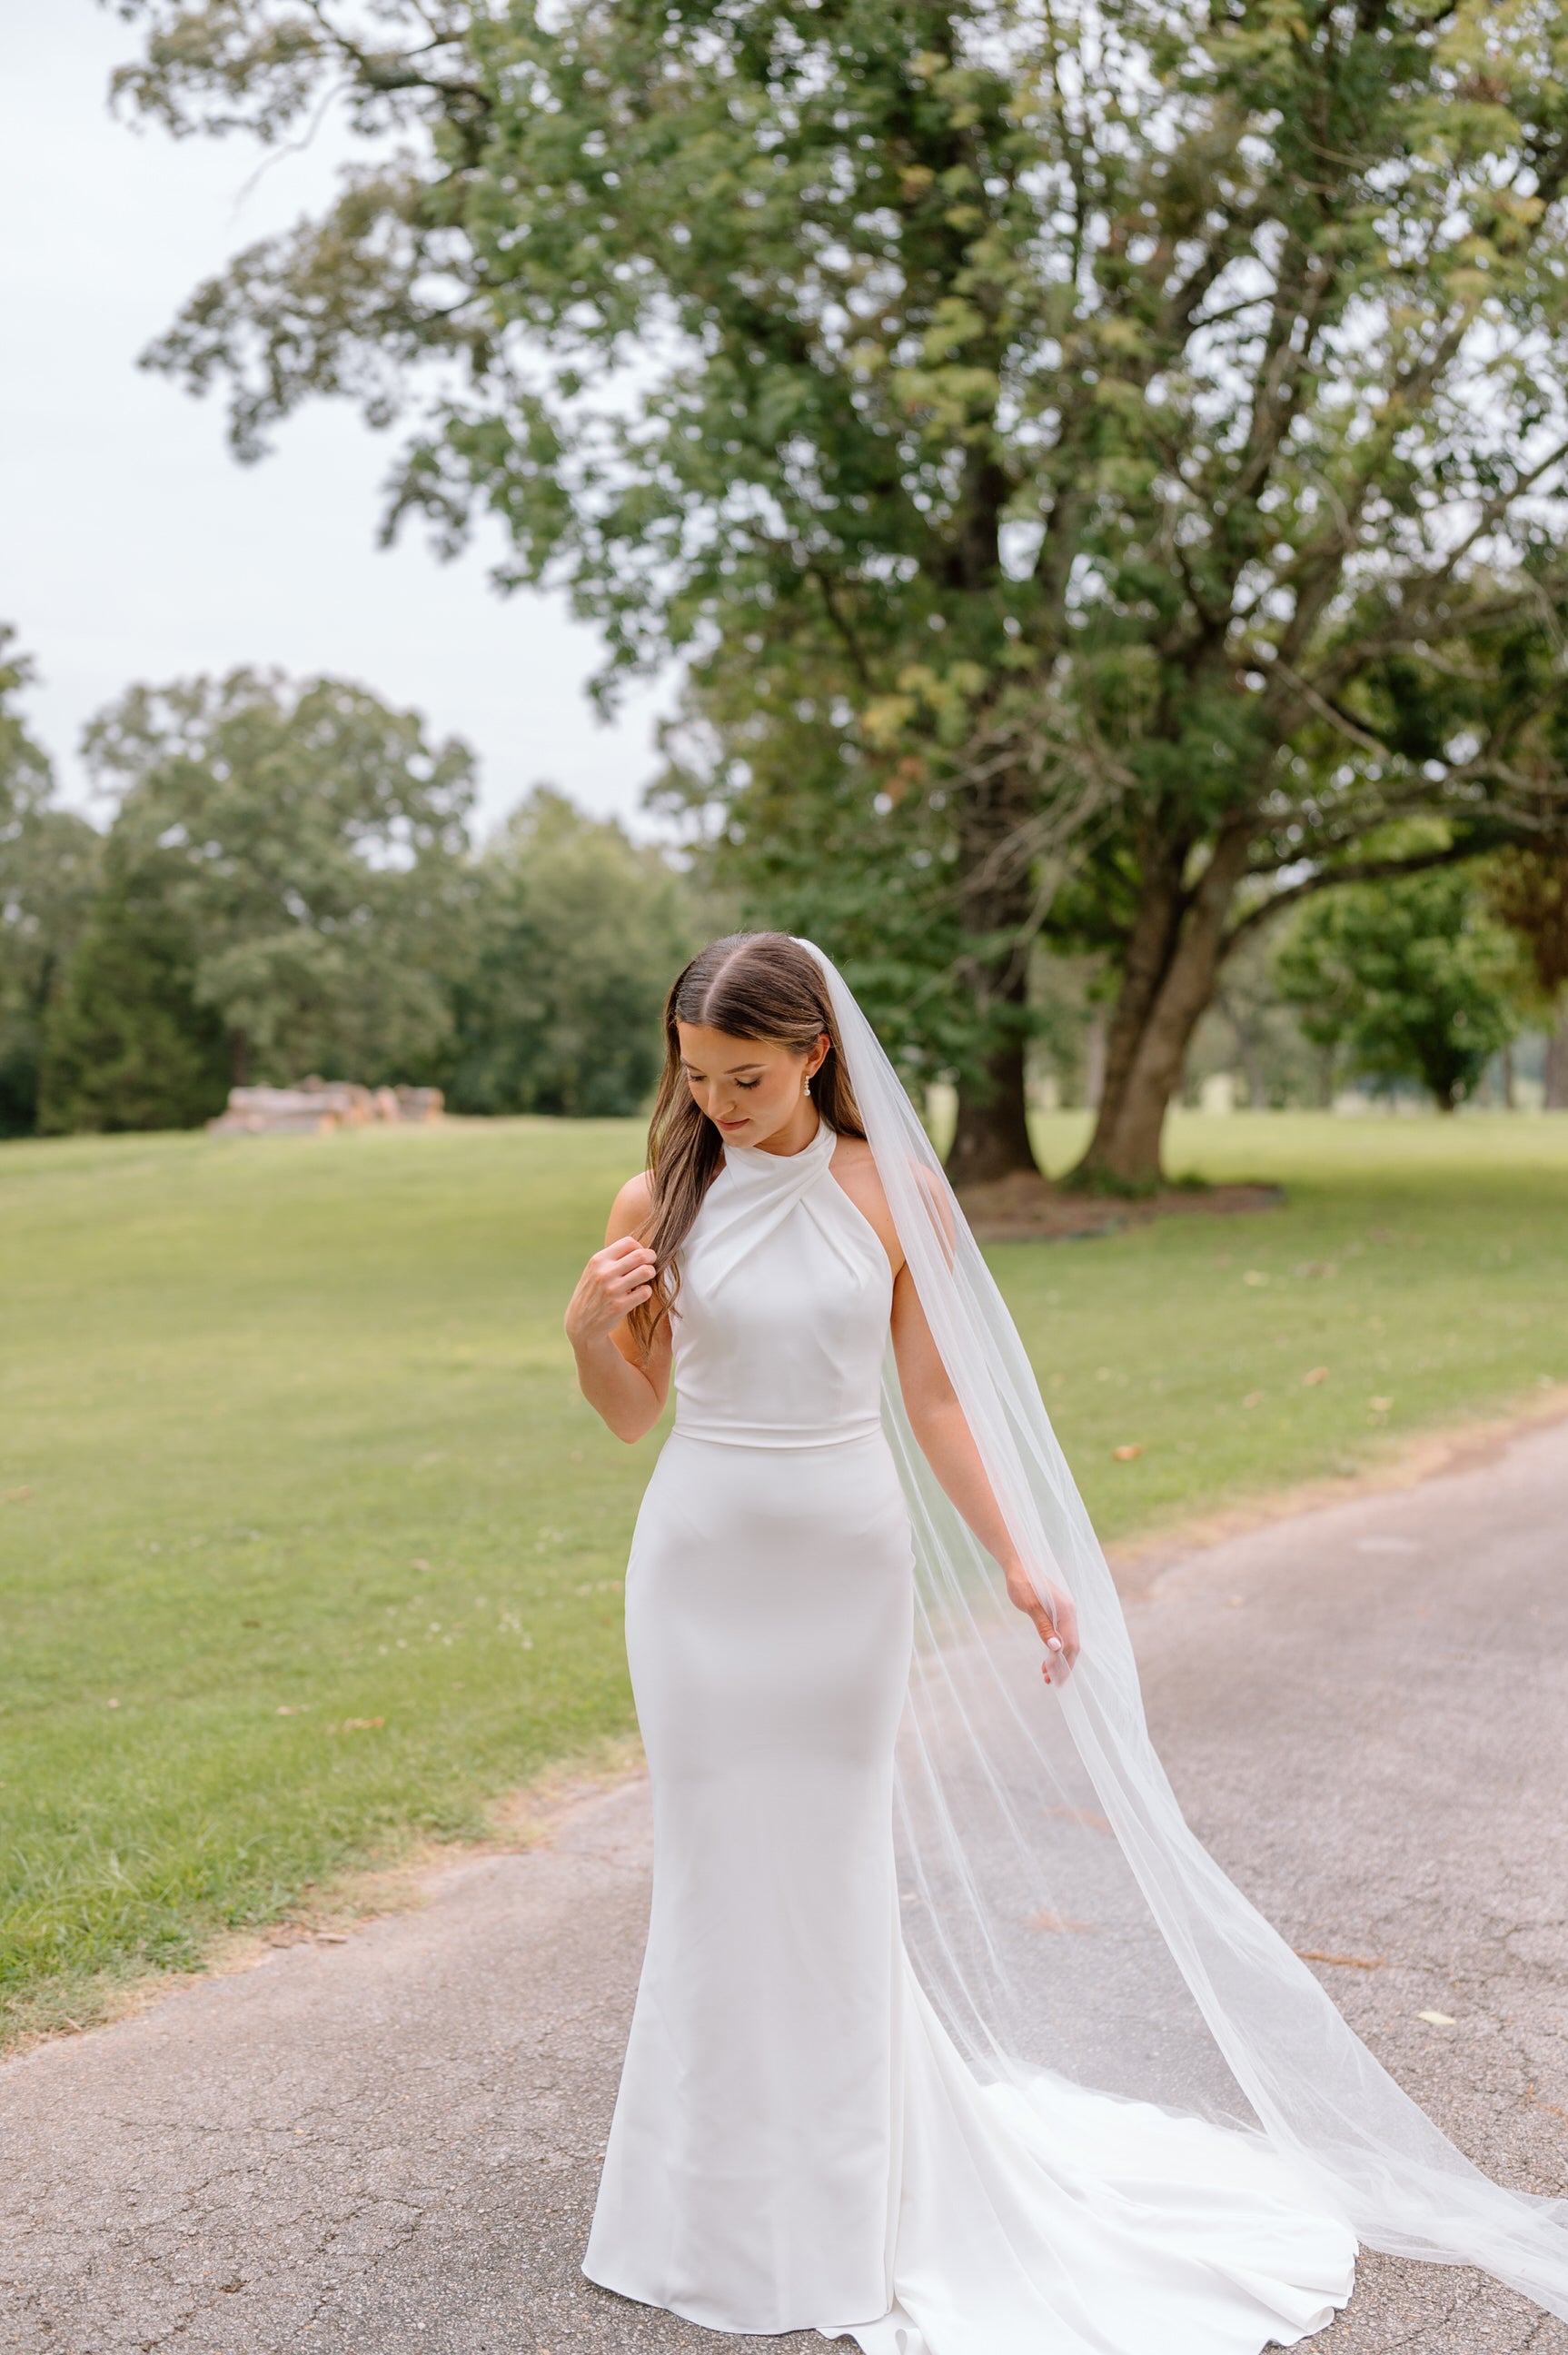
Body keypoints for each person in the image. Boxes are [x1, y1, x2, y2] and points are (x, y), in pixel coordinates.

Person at [563, 932, 1568, 2353]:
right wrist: (587, 1326)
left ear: (815, 1055)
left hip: (840, 1562)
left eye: (744, 1076)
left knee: (831, 1868)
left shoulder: (894, 1193)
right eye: (695, 1078)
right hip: (695, 1567)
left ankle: (847, 2199)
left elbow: (935, 1404)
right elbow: (627, 1415)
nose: (718, 1103)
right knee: (715, 1869)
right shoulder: (657, 1198)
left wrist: (1024, 1559)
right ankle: (699, 2200)